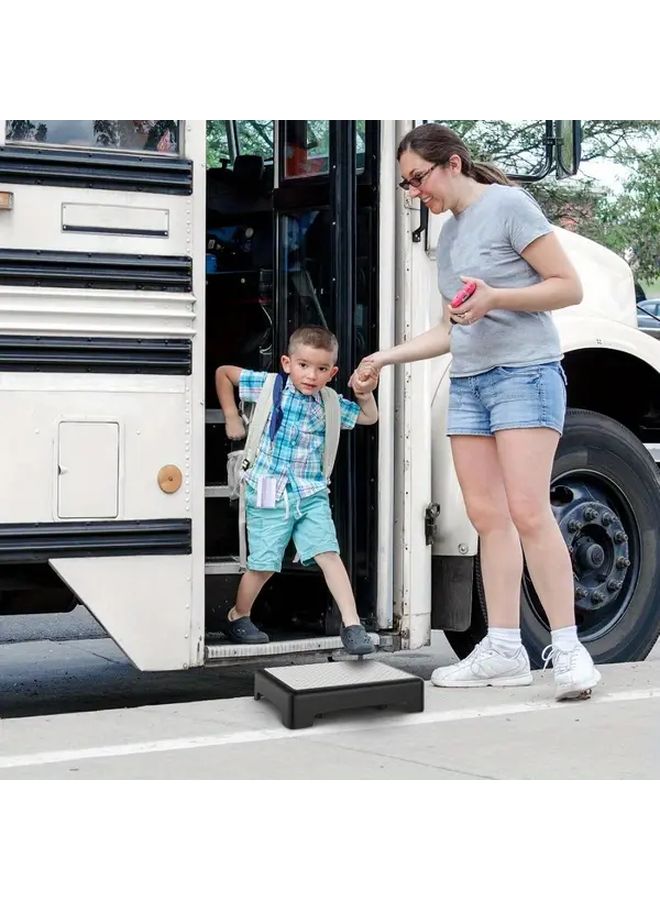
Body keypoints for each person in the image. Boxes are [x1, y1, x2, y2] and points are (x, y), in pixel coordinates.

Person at [351, 123, 601, 700]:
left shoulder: (510, 206)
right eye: (407, 186)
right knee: (488, 518)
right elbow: (448, 327)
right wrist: (386, 357)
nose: (415, 193)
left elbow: (568, 287)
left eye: (418, 179)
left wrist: (496, 297)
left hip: (525, 376)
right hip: (470, 383)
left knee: (528, 512)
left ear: (453, 164)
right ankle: (505, 649)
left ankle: (568, 649)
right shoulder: (449, 237)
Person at [216, 325, 379, 654]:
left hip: (311, 493)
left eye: (321, 369)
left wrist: (364, 393)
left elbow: (368, 417)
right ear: (287, 363)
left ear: (332, 373)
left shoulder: (330, 403)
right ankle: (239, 616)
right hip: (268, 490)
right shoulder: (270, 386)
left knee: (328, 555)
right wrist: (231, 416)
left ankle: (352, 624)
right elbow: (223, 374)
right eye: (304, 365)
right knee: (263, 564)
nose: (311, 375)